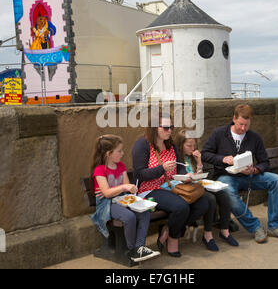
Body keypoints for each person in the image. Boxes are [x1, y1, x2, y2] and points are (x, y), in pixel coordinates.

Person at [201, 104, 278, 243]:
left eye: (246, 125)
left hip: (249, 175)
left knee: (277, 180)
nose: (243, 128)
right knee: (227, 191)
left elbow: (264, 162)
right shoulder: (219, 133)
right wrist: (223, 159)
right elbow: (205, 154)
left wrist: (255, 170)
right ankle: (255, 227)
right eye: (240, 124)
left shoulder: (255, 137)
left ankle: (275, 226)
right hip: (226, 176)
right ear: (234, 118)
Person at [132, 112, 211, 257]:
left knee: (203, 203)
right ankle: (173, 239)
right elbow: (139, 174)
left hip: (171, 185)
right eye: (166, 127)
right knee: (181, 207)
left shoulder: (171, 144)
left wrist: (185, 176)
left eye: (171, 127)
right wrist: (161, 169)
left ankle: (168, 229)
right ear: (155, 127)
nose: (170, 131)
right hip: (149, 189)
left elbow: (180, 167)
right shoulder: (142, 145)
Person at [90, 134, 160, 262]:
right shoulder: (100, 170)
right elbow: (106, 193)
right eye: (119, 151)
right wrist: (124, 187)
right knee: (129, 217)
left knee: (144, 213)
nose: (122, 153)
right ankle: (131, 249)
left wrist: (131, 189)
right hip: (107, 205)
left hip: (121, 201)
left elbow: (127, 189)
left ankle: (140, 247)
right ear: (108, 153)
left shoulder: (121, 166)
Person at [175, 129, 239, 250]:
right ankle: (208, 235)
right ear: (180, 145)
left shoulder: (192, 157)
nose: (192, 148)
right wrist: (190, 177)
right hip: (186, 189)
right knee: (211, 199)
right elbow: (178, 178)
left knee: (224, 195)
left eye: (194, 145)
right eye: (189, 145)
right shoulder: (177, 158)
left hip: (198, 185)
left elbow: (198, 175)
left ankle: (225, 231)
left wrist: (199, 162)